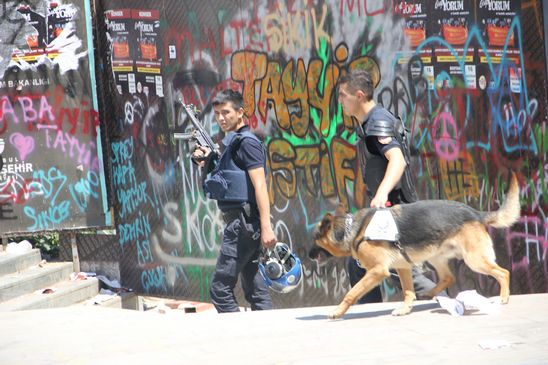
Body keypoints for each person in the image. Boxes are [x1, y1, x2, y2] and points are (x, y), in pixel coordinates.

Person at [337, 69, 436, 303]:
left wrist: (381, 194)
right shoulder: (372, 121)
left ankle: (443, 301)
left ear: (359, 95)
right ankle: (368, 316)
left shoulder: (376, 123)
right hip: (390, 212)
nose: (340, 100)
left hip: (396, 212)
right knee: (359, 262)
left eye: (343, 95)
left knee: (399, 270)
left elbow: (397, 159)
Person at [191, 89, 277, 313]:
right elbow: (228, 177)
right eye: (218, 113)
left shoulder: (247, 143)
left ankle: (237, 337)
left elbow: (260, 185)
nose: (221, 118)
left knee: (220, 289)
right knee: (255, 290)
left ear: (240, 113)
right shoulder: (232, 143)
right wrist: (206, 159)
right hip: (243, 223)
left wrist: (267, 227)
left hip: (243, 225)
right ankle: (269, 334)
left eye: (226, 112)